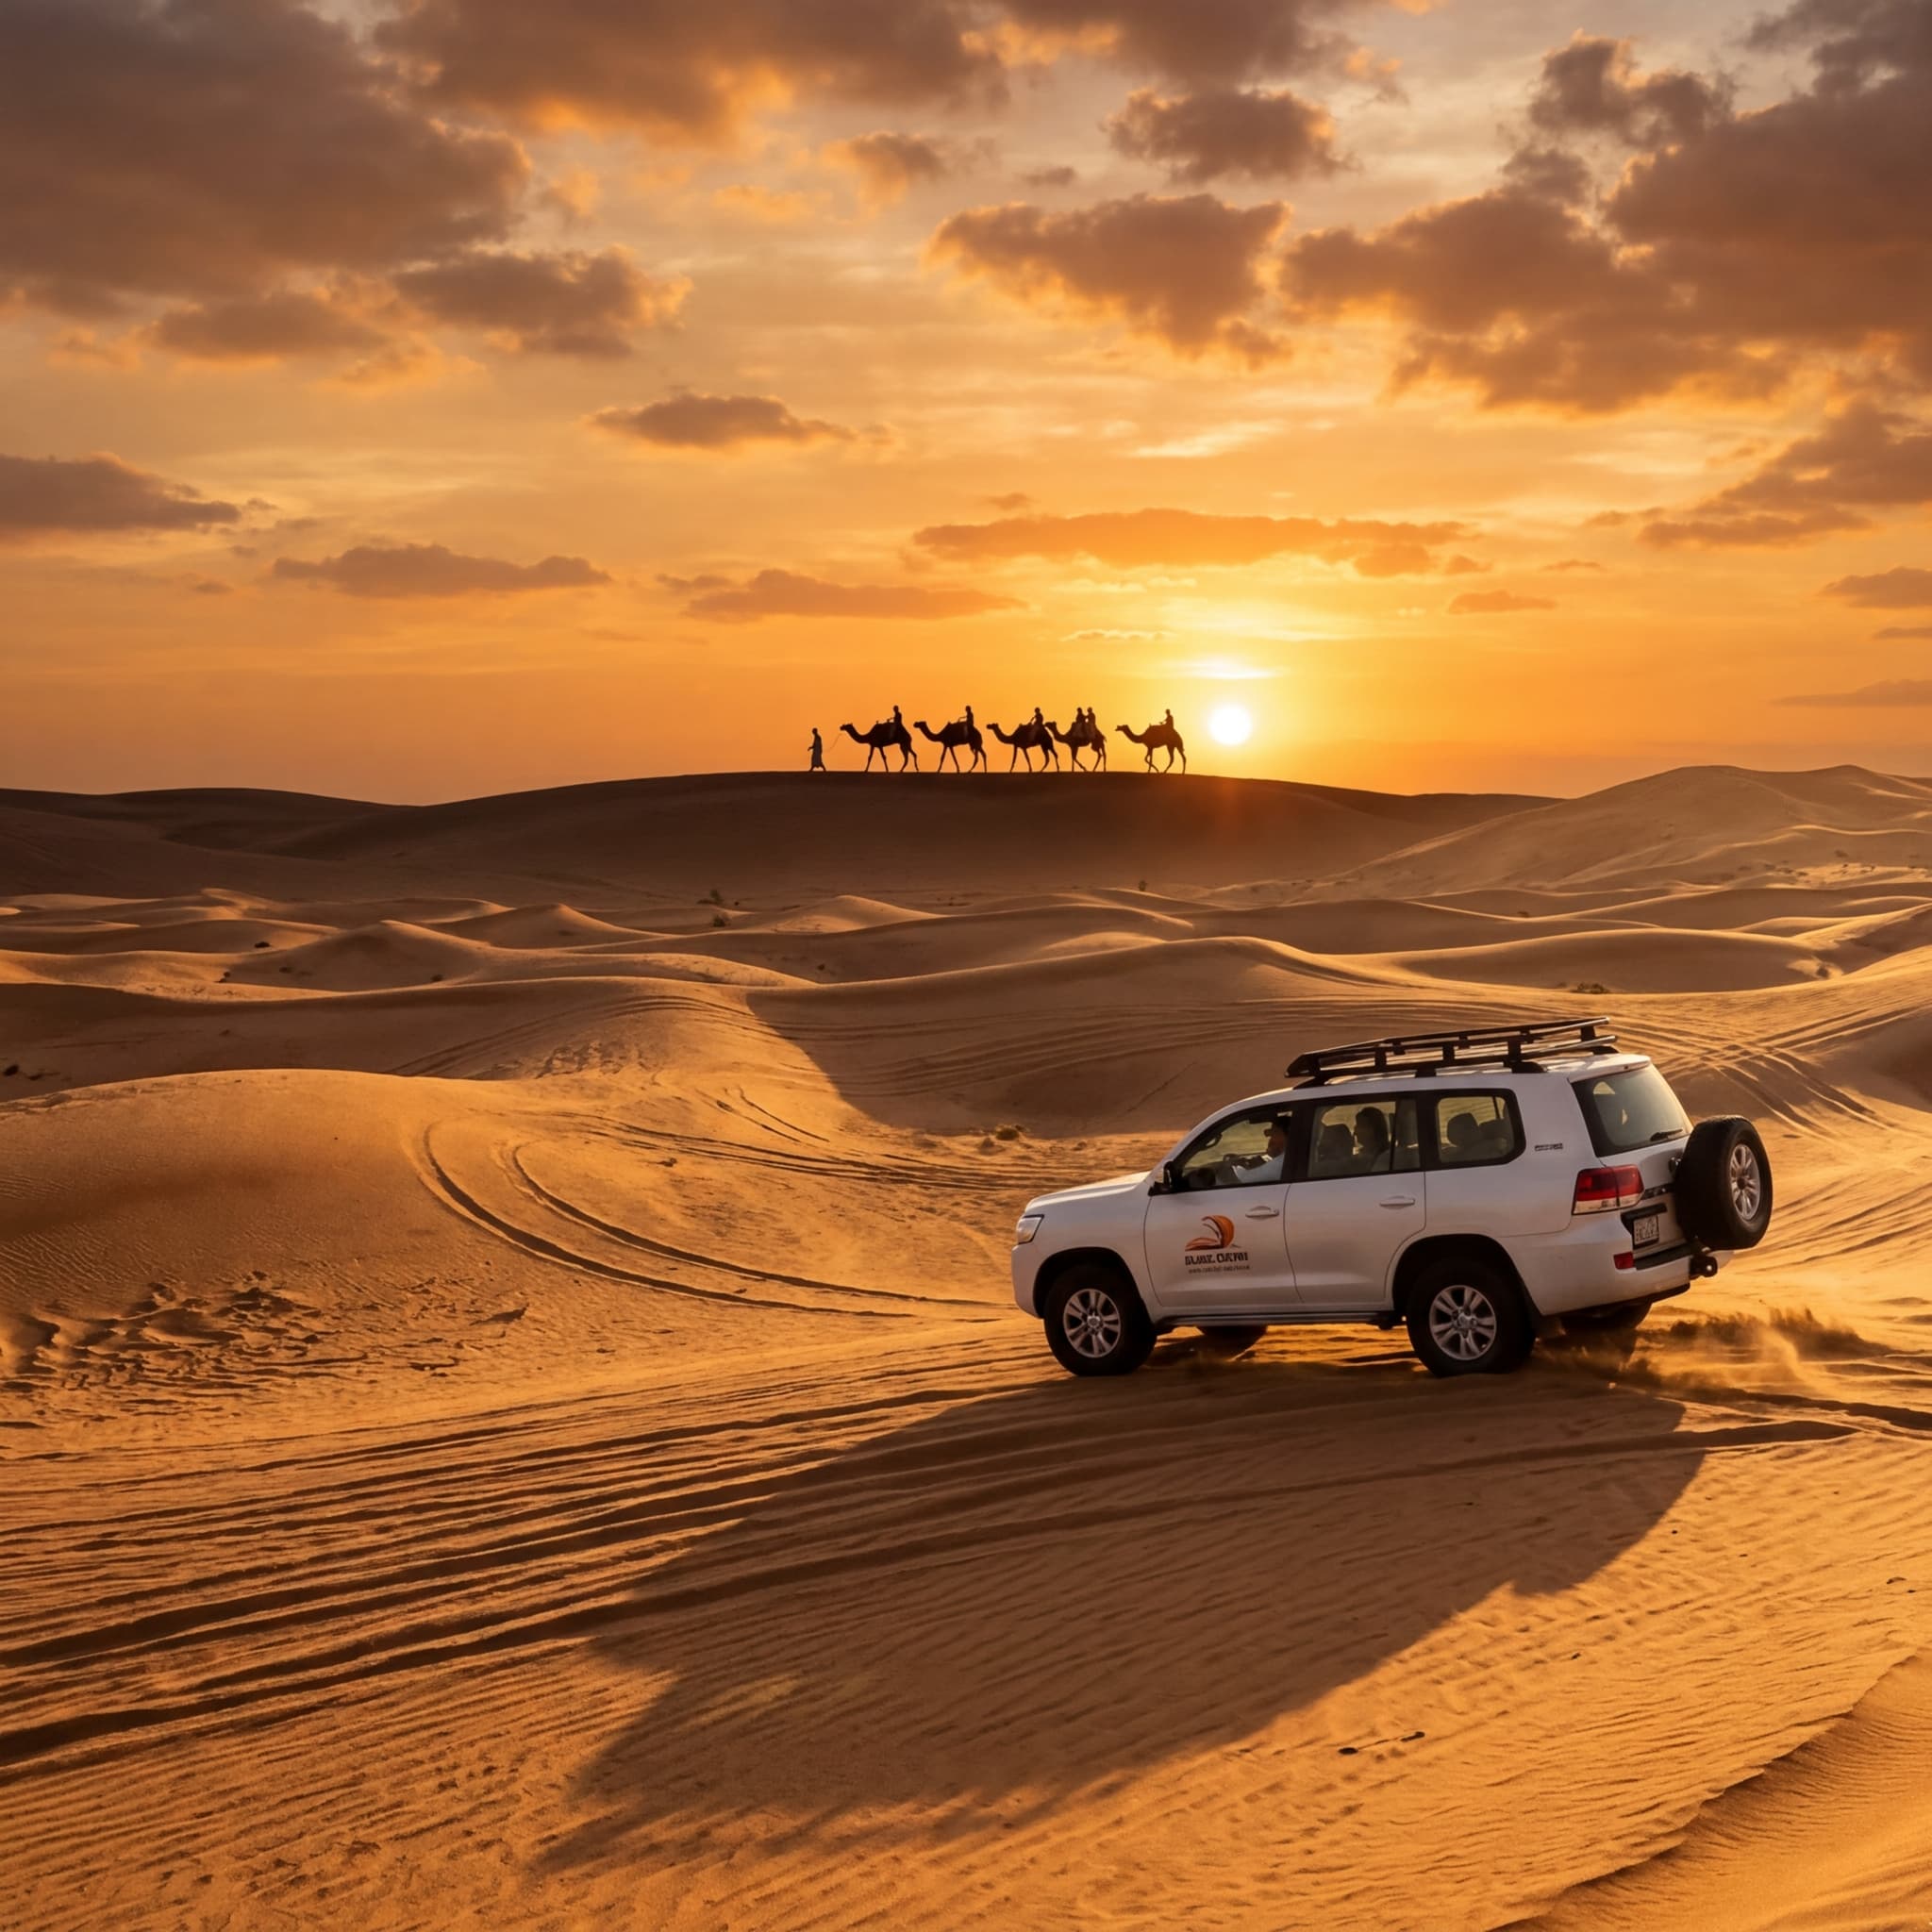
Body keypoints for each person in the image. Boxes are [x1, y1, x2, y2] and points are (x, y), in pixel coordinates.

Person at [1227, 1116, 1291, 1186]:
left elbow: (1245, 1179)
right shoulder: (1289, 1157)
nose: (1270, 1141)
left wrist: (1234, 1166)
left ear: (1288, 1136)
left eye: (1274, 1134)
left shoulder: (1282, 1162)